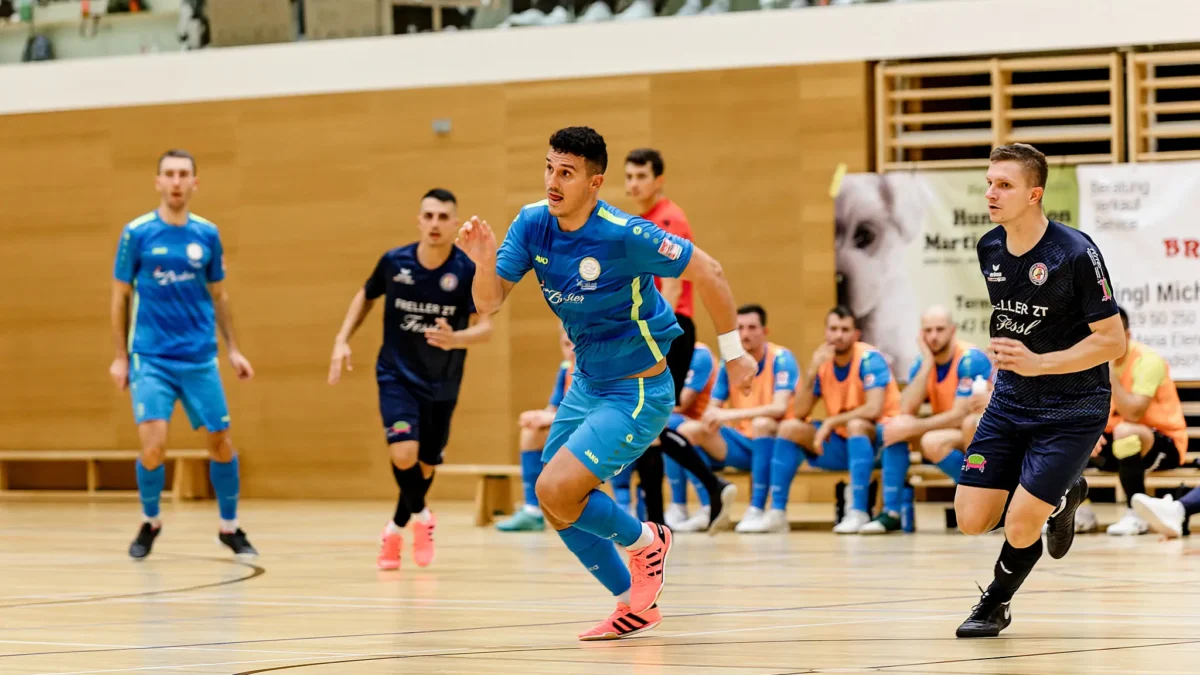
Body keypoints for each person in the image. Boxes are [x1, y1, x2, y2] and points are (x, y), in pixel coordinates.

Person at [456, 126, 755, 641]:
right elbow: (487, 302)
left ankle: (646, 540)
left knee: (553, 487)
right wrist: (484, 263)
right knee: (555, 503)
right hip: (587, 385)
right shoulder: (532, 224)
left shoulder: (625, 234)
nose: (553, 181)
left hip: (638, 390)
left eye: (566, 172)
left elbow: (710, 271)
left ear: (595, 183)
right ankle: (630, 604)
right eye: (549, 167)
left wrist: (735, 355)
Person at [954, 144, 1125, 638]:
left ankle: (995, 602)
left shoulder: (1075, 252)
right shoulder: (989, 247)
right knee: (970, 519)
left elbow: (1112, 342)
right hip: (1010, 402)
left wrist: (1040, 362)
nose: (991, 192)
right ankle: (1062, 489)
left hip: (1073, 406)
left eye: (1003, 185)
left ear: (1034, 194)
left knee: (1022, 524)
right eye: (988, 182)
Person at [328, 188, 493, 571]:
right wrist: (341, 340)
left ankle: (395, 528)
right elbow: (365, 297)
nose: (435, 223)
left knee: (425, 464)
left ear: (454, 224)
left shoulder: (466, 271)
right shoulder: (394, 262)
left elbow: (485, 328)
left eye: (443, 217)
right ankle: (423, 517)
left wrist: (456, 339)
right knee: (403, 452)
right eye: (429, 216)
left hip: (443, 382)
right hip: (396, 376)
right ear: (418, 220)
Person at [110, 149, 257, 560]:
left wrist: (234, 350)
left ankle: (229, 527)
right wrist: (121, 356)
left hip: (199, 358)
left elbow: (220, 295)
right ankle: (150, 520)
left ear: (195, 183)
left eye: (184, 174)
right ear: (157, 181)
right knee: (153, 446)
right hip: (151, 358)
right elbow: (119, 297)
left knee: (221, 441)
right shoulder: (136, 234)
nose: (176, 181)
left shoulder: (207, 234)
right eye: (169, 174)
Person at [625, 148, 735, 533]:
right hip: (655, 329)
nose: (633, 183)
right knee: (646, 428)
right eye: (629, 176)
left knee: (646, 426)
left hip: (669, 329)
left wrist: (652, 335)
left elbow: (671, 283)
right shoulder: (642, 220)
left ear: (659, 180)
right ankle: (699, 495)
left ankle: (656, 525)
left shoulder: (668, 219)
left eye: (641, 176)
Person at [773, 306, 909, 535]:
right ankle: (775, 513)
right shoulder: (823, 362)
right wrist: (811, 372)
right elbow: (798, 412)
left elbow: (874, 409)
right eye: (834, 329)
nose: (839, 335)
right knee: (789, 428)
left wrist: (831, 422)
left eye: (845, 329)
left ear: (856, 334)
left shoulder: (869, 358)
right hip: (843, 442)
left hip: (879, 439)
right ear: (826, 332)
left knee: (856, 425)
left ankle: (858, 511)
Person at [676, 305, 798, 534]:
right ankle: (709, 504)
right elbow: (713, 409)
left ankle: (757, 508)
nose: (745, 334)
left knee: (762, 423)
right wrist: (712, 417)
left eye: (752, 327)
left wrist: (729, 415)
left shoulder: (781, 358)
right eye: (740, 328)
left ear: (765, 331)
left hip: (776, 443)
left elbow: (779, 407)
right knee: (687, 431)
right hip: (742, 442)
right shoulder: (730, 363)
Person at [1086, 306, 1189, 536]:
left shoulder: (1147, 360)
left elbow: (1133, 413)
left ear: (1127, 335)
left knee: (1125, 431)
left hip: (1164, 445)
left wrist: (1109, 371)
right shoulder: (1087, 363)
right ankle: (1078, 512)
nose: (1104, 342)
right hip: (1118, 444)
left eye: (1111, 335)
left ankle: (1135, 514)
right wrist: (1090, 434)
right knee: (1070, 434)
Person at [886, 306, 993, 483]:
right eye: (928, 330)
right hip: (950, 429)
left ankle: (978, 488)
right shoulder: (923, 362)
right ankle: (894, 509)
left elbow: (960, 416)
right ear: (921, 334)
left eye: (940, 329)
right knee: (895, 427)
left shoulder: (969, 358)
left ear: (953, 330)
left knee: (932, 441)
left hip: (976, 431)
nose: (934, 336)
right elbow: (905, 409)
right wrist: (928, 362)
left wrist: (915, 427)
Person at [496, 331, 575, 532]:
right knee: (531, 431)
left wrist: (551, 418)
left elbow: (597, 412)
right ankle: (533, 510)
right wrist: (538, 416)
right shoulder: (565, 369)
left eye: (576, 344)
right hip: (571, 429)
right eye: (566, 344)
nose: (572, 350)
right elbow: (554, 408)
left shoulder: (596, 371)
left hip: (598, 432)